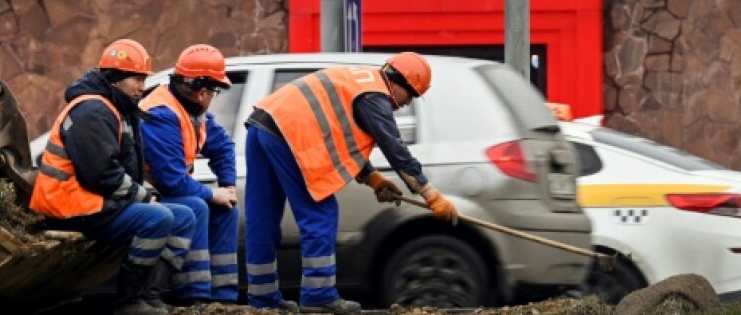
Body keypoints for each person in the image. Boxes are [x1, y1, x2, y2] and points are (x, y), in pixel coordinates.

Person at [243, 52, 459, 313]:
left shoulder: (360, 82)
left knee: (262, 218)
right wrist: (430, 194)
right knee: (320, 213)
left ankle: (262, 299)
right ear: (401, 83)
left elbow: (340, 141)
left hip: (262, 125)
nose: (406, 104)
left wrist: (372, 178)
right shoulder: (376, 97)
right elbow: (395, 148)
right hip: (289, 135)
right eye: (411, 95)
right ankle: (318, 297)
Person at [29, 39, 197, 315]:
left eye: (143, 78)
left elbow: (120, 172)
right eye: (136, 79)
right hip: (69, 206)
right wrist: (145, 197)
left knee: (184, 216)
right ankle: (129, 301)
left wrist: (145, 195)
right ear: (116, 78)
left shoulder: (116, 108)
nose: (142, 86)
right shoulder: (92, 111)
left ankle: (149, 296)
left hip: (93, 202)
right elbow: (102, 175)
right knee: (159, 217)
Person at [139, 44, 240, 305]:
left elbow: (223, 147)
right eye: (215, 90)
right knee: (197, 206)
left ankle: (224, 300)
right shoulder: (160, 114)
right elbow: (171, 181)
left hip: (168, 192)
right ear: (202, 91)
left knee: (227, 209)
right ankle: (195, 300)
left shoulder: (193, 110)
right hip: (149, 196)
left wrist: (227, 187)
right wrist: (212, 193)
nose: (214, 97)